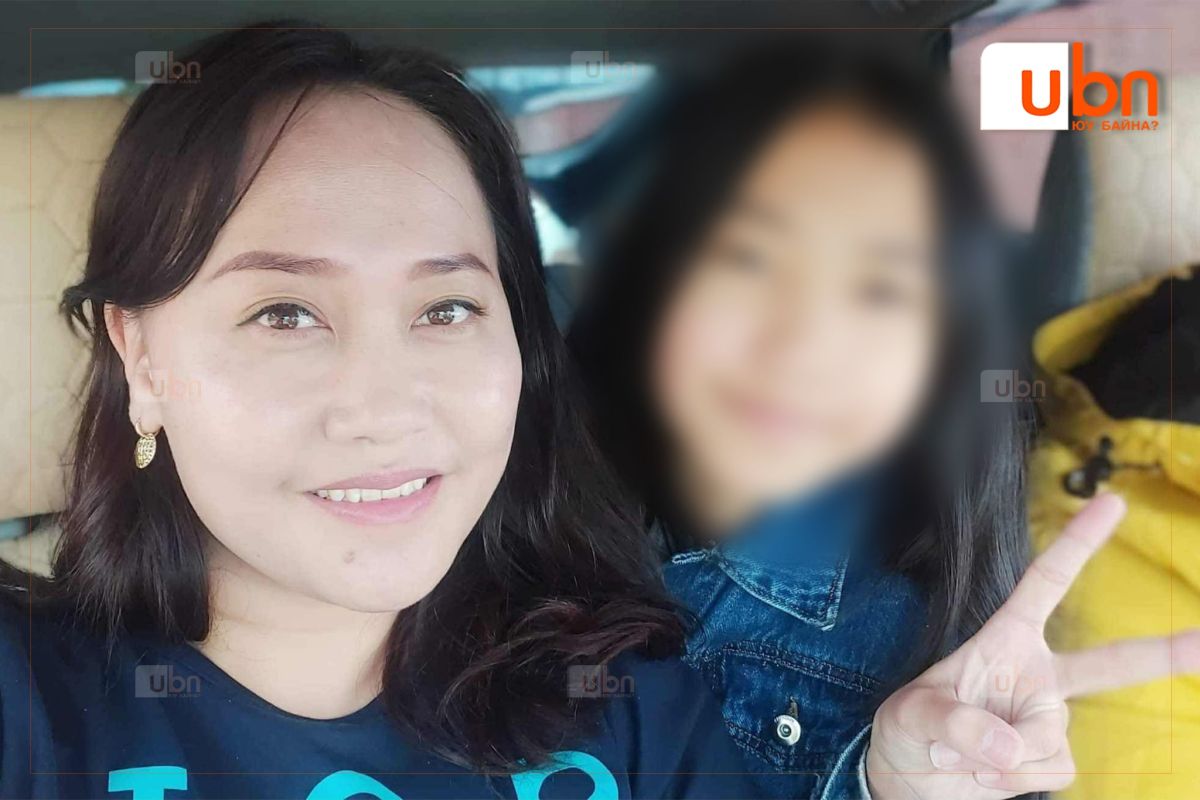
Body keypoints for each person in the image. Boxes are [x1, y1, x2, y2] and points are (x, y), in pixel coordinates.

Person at [0, 23, 764, 800]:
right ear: (141, 360)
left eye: (447, 308)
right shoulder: (29, 707)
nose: (385, 411)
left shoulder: (632, 706)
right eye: (285, 314)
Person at [569, 40, 1200, 799]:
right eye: (744, 258)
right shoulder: (481, 496)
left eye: (880, 291)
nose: (801, 342)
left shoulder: (926, 637)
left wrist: (891, 787)